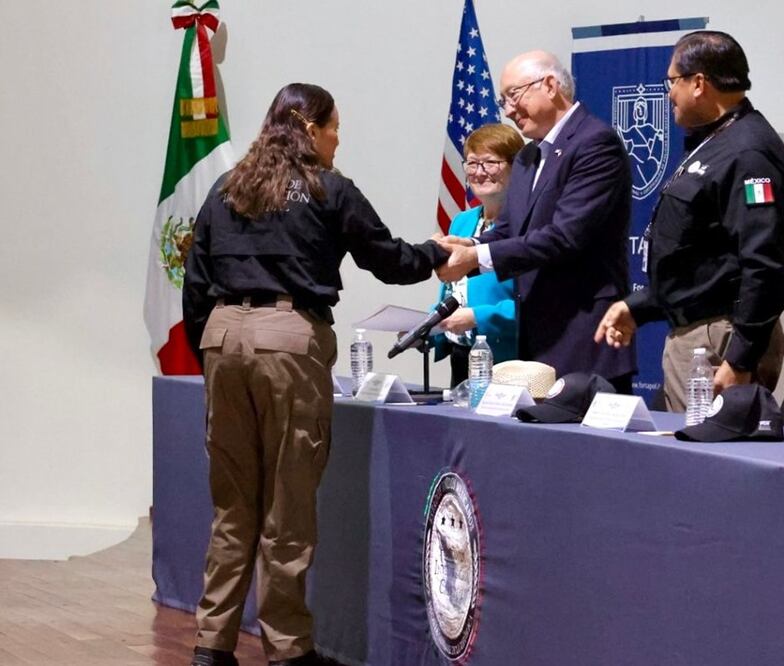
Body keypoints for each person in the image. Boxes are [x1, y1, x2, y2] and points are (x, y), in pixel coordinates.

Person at [181, 83, 446, 666]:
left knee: (232, 505)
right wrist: (436, 252)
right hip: (287, 342)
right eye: (334, 129)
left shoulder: (228, 188)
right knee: (287, 503)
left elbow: (195, 278)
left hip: (223, 338)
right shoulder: (330, 189)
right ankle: (287, 649)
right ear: (310, 128)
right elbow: (389, 260)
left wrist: (216, 348)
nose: (337, 140)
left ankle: (211, 645)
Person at [593, 31, 784, 411]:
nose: (668, 93)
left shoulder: (748, 151)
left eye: (672, 81)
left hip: (721, 341)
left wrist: (741, 358)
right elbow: (701, 258)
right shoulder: (715, 142)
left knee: (710, 465)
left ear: (698, 83)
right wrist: (641, 305)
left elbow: (763, 264)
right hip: (699, 334)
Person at [434, 50, 637, 392]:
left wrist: (475, 258)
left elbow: (565, 236)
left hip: (584, 336)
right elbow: (510, 230)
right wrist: (467, 244)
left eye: (513, 96)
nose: (509, 110)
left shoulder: (594, 143)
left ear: (550, 85)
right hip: (534, 341)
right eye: (503, 101)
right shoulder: (529, 156)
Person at [430, 123, 523, 386]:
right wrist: (426, 326)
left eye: (490, 162)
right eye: (472, 163)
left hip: (509, 362)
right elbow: (452, 292)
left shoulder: (527, 226)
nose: (479, 173)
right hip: (461, 357)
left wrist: (477, 317)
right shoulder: (461, 222)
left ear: (517, 168)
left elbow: (537, 304)